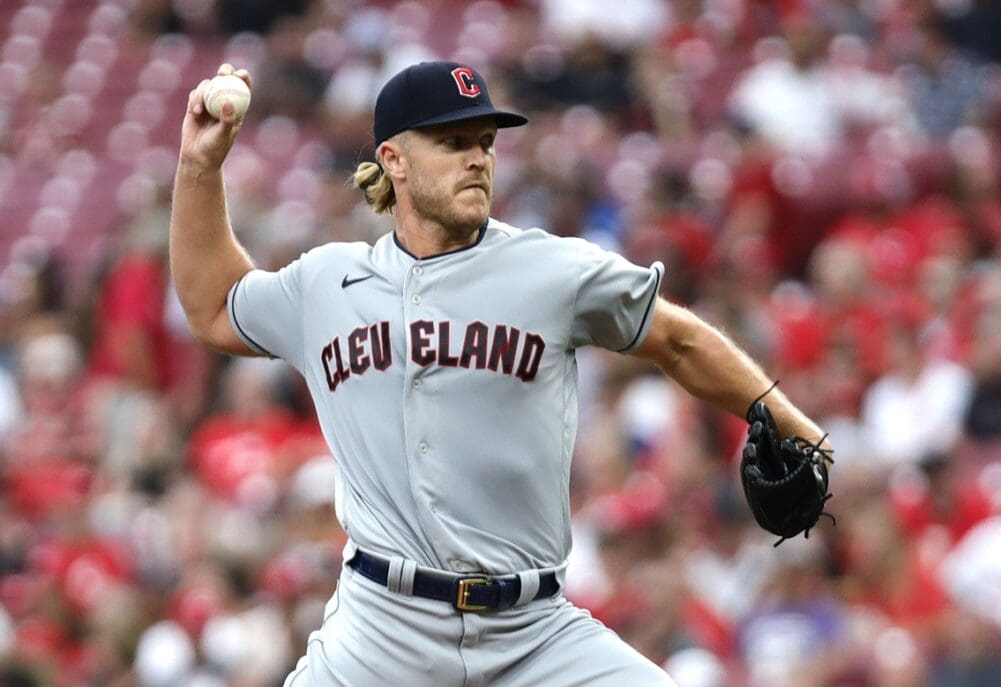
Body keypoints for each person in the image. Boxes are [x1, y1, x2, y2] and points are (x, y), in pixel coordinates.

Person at [170, 60, 831, 686]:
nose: (478, 158)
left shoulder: (551, 271)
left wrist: (788, 418)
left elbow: (677, 338)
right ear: (393, 160)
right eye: (453, 141)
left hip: (534, 631)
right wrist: (201, 166)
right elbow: (214, 306)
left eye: (484, 141)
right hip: (382, 631)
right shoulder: (327, 283)